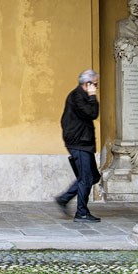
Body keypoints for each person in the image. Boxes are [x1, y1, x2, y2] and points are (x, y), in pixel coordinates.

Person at [55, 69, 101, 222]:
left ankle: (64, 198)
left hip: (83, 142)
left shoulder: (80, 96)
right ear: (87, 83)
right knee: (86, 177)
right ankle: (81, 212)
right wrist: (93, 96)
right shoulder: (77, 96)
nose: (96, 87)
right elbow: (92, 113)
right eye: (95, 84)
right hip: (79, 143)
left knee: (92, 176)